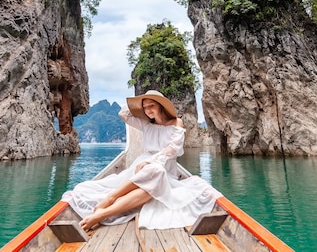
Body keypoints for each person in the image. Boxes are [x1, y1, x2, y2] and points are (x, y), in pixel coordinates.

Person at [62, 90, 222, 231]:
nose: (148, 110)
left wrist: (152, 161)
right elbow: (123, 114)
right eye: (144, 107)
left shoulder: (176, 123)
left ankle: (106, 208)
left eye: (151, 105)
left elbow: (172, 150)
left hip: (163, 167)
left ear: (161, 105)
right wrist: (138, 103)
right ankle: (108, 200)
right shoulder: (145, 123)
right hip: (141, 167)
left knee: (157, 171)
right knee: (152, 175)